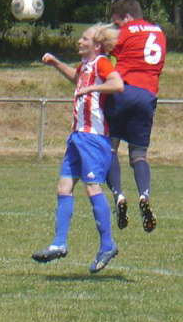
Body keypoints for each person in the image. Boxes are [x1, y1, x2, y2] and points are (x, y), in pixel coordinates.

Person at [32, 24, 124, 273]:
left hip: (93, 137)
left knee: (92, 186)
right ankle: (59, 243)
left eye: (85, 38)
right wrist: (55, 64)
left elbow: (117, 85)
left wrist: (93, 88)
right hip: (77, 137)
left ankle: (107, 244)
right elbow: (76, 78)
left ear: (96, 45)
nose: (80, 40)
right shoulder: (85, 67)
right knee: (63, 187)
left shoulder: (102, 63)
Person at [105, 0, 167, 233]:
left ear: (127, 17)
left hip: (123, 89)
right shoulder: (159, 32)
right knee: (139, 154)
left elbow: (105, 49)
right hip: (148, 95)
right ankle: (144, 194)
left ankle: (119, 196)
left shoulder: (125, 31)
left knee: (110, 147)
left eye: (117, 22)